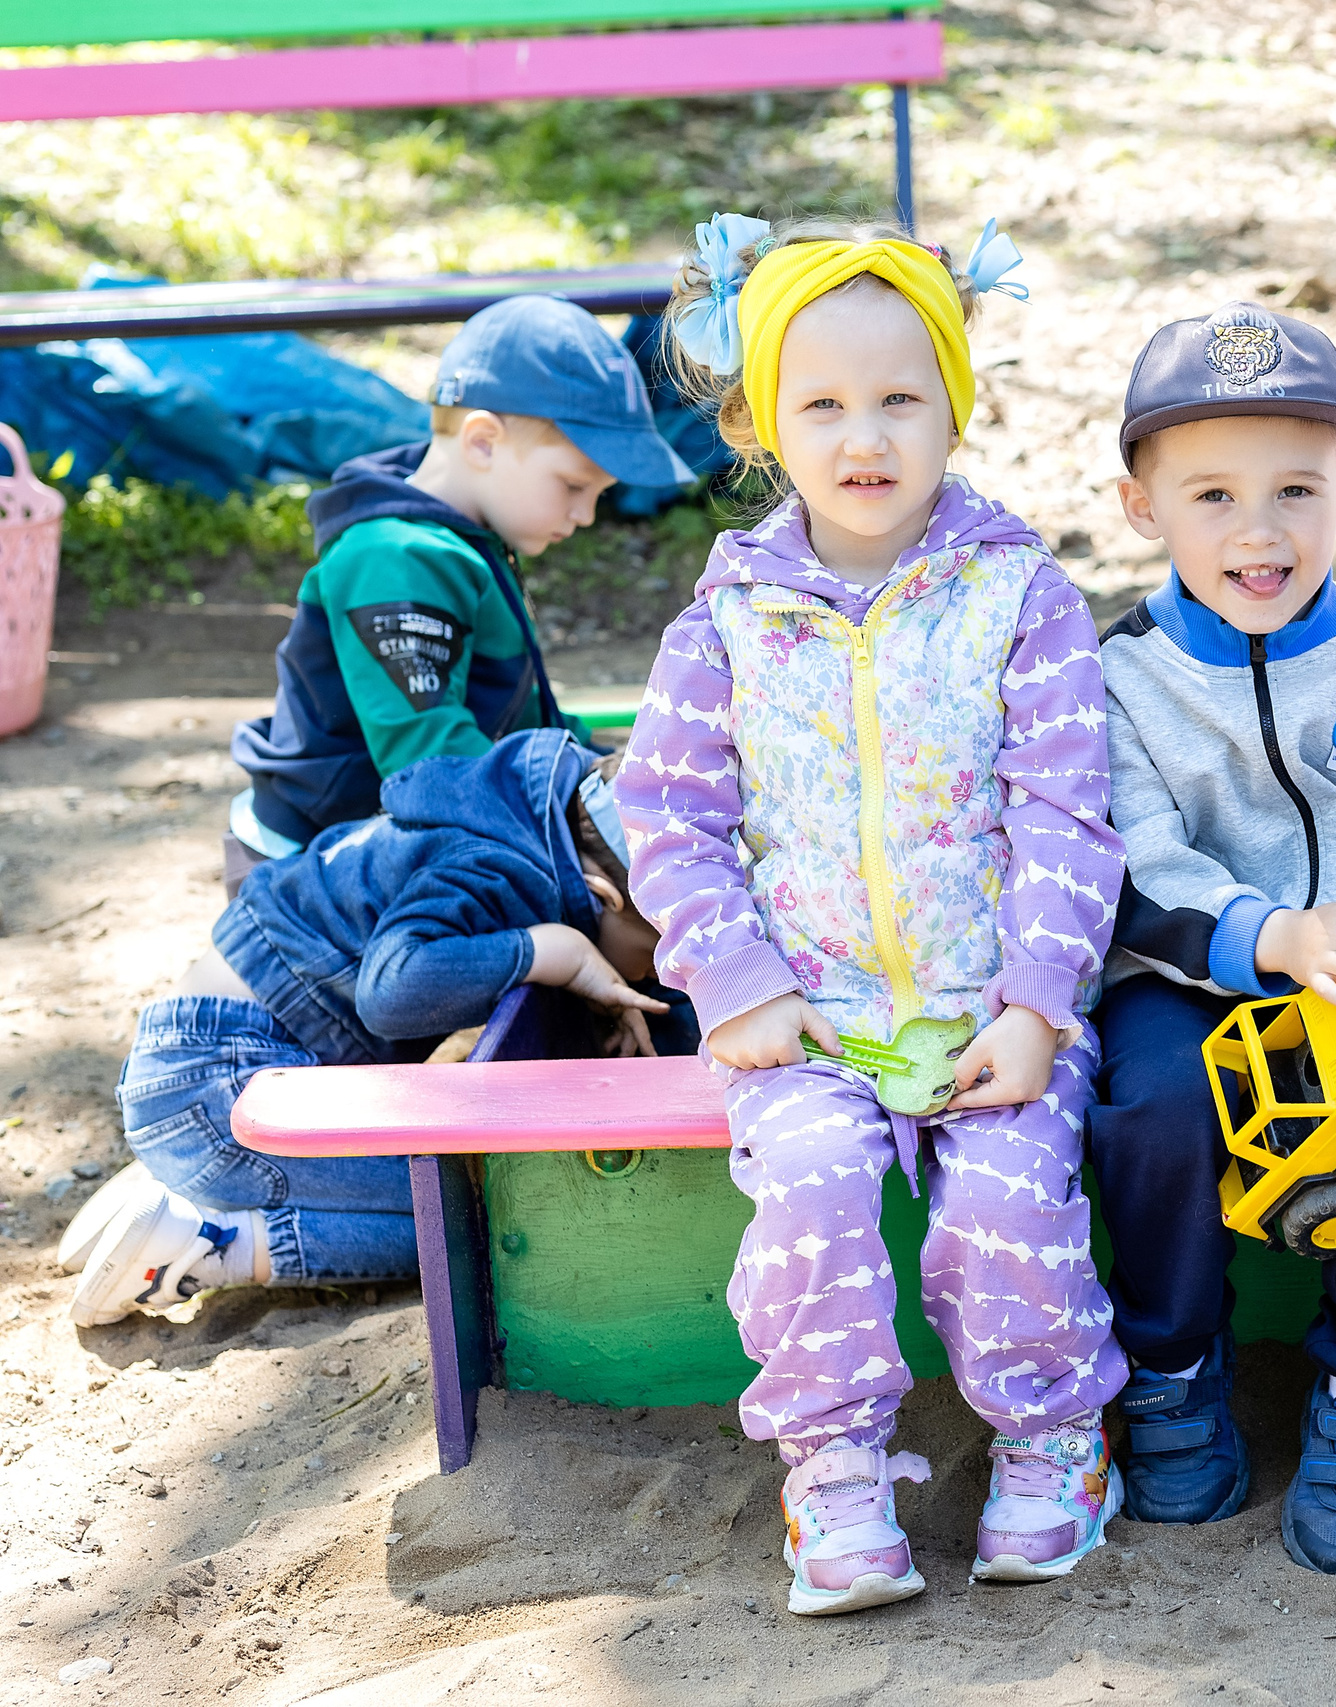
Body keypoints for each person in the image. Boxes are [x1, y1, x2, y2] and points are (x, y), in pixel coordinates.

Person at [617, 213, 1128, 1615]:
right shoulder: (727, 620)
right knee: (811, 1198)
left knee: (1010, 1211)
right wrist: (735, 981)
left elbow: (1068, 811)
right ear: (758, 423)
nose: (865, 436)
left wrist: (1037, 1005)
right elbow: (666, 812)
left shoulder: (1022, 596)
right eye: (823, 404)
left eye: (902, 397)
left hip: (994, 1009)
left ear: (956, 404)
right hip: (808, 1016)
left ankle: (1052, 1438)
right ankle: (834, 1463)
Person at [1084, 302, 1336, 1575]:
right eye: (1211, 495)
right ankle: (1172, 1369)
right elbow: (1134, 870)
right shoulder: (1119, 677)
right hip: (1188, 975)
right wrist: (1272, 935)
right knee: (1152, 1103)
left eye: (1296, 492)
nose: (1257, 532)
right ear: (1142, 507)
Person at [62, 729, 665, 1325]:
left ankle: (189, 1177)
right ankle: (209, 1240)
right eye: (657, 949)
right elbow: (391, 990)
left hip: (205, 1064)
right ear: (603, 894)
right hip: (222, 1085)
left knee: (465, 1196)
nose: (662, 972)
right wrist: (556, 952)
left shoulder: (511, 822)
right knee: (482, 1215)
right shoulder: (501, 869)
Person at [225, 295, 695, 893]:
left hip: (405, 826)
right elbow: (431, 762)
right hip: (316, 869)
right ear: (482, 442)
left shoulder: (461, 539)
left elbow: (519, 721)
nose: (585, 515)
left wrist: (597, 768)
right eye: (574, 486)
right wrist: (572, 803)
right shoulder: (393, 559)